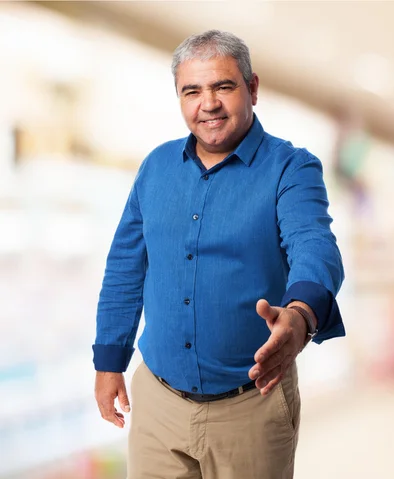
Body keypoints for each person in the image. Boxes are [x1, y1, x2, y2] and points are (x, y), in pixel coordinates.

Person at [93, 30, 345, 479]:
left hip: (251, 406)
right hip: (158, 404)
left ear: (252, 88)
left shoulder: (291, 167)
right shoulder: (156, 167)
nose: (207, 104)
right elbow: (125, 267)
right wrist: (109, 360)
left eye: (222, 87)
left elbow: (314, 244)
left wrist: (301, 312)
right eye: (192, 91)